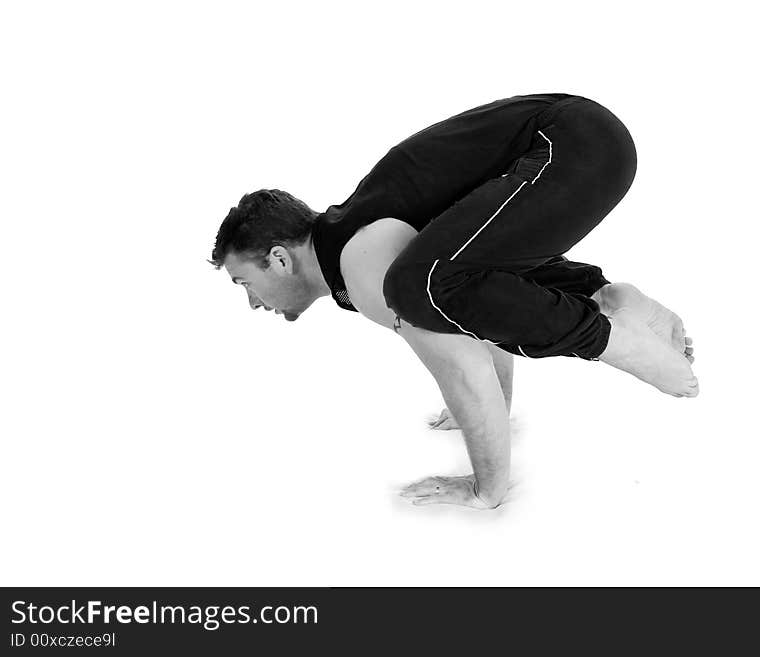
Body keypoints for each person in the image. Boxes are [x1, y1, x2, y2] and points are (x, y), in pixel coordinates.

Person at [210, 93, 697, 510]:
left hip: (570, 146)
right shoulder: (355, 243)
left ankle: (615, 339)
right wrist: (497, 408)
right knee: (447, 278)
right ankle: (607, 298)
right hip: (584, 141)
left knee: (419, 286)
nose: (253, 303)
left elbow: (463, 363)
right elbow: (471, 315)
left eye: (243, 283)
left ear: (278, 259)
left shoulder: (360, 258)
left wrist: (485, 489)